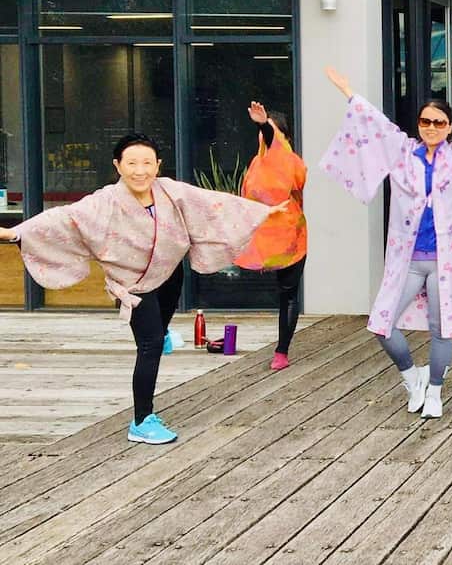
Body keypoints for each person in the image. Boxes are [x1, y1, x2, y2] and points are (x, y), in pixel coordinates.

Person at [0, 134, 286, 444]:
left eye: (147, 163)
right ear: (118, 166)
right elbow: (64, 218)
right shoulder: (104, 201)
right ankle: (141, 420)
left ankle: (161, 334)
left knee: (159, 331)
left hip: (169, 272)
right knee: (149, 346)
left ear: (157, 165)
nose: (140, 171)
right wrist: (14, 233)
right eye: (132, 163)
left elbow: (212, 203)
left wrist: (262, 212)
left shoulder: (170, 191)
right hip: (133, 285)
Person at [320, 55, 452, 419]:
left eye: (438, 122)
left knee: (441, 328)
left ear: (450, 127)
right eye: (425, 121)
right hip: (408, 258)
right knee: (381, 324)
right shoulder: (403, 153)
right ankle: (411, 378)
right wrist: (347, 92)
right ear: (418, 124)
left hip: (447, 262)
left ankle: (435, 391)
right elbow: (375, 124)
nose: (431, 127)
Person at [236, 101, 308, 371]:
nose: (266, 137)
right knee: (283, 293)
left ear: (284, 138)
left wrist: (266, 125)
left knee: (288, 294)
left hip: (290, 236)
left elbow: (274, 144)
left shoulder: (291, 162)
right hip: (264, 235)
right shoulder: (257, 162)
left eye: (273, 133)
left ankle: (282, 350)